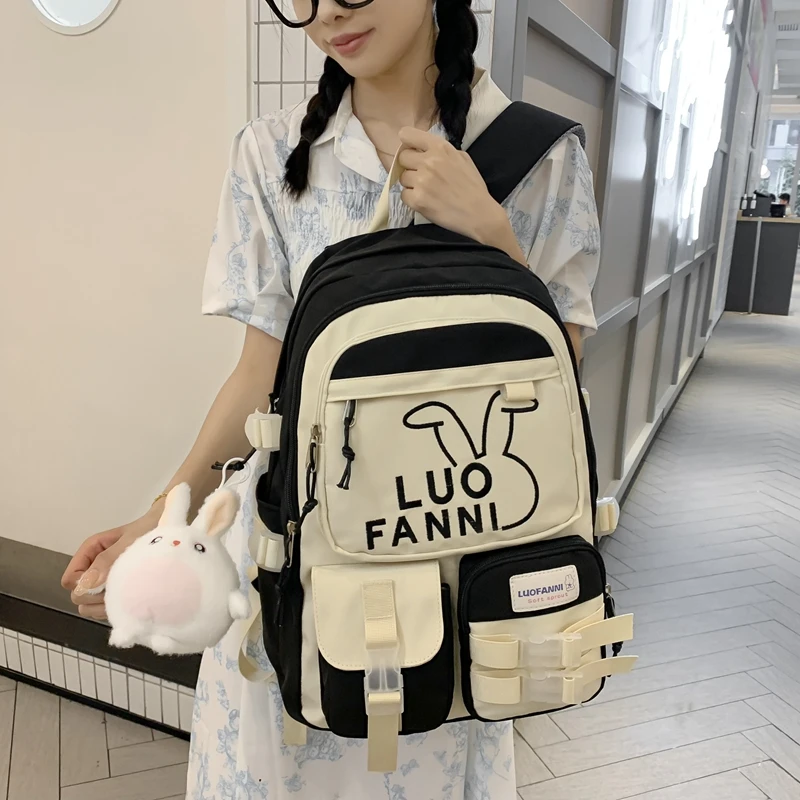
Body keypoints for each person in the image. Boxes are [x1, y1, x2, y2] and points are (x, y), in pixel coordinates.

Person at [60, 0, 600, 796]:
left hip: (451, 558)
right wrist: (159, 518)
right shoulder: (272, 153)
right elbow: (260, 375)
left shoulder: (540, 154)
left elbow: (558, 369)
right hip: (292, 559)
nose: (327, 11)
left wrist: (494, 237)